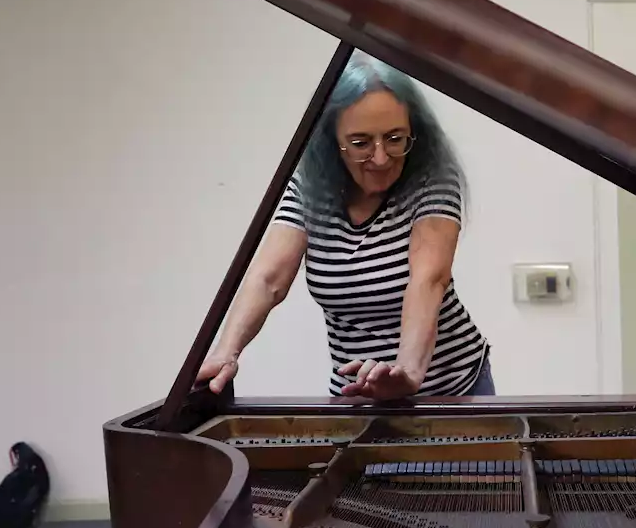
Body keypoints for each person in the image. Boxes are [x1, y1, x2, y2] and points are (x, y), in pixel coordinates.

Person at [197, 53, 493, 400]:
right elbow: (268, 279)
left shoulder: (433, 179)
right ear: (332, 142)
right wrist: (226, 352)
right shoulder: (310, 189)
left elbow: (428, 279)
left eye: (395, 138)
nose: (381, 158)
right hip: (355, 393)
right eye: (361, 143)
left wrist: (408, 373)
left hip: (452, 388)